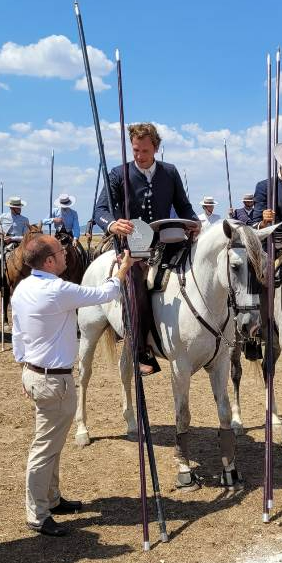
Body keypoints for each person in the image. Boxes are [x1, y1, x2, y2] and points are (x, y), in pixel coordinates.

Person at [11, 235, 135, 536]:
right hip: (53, 379)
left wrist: (25, 368)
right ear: (49, 261)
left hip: (36, 373)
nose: (67, 254)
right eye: (60, 251)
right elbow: (104, 293)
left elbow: (17, 334)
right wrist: (122, 269)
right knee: (43, 448)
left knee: (51, 443)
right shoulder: (57, 288)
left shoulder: (23, 287)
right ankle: (37, 513)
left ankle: (51, 499)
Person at [92, 122, 198, 376]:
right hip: (132, 245)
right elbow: (100, 211)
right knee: (137, 282)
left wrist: (194, 223)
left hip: (167, 241)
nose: (139, 156)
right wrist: (112, 224)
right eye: (136, 150)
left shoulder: (170, 172)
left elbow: (184, 206)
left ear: (156, 149)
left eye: (145, 151)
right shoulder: (118, 174)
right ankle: (141, 349)